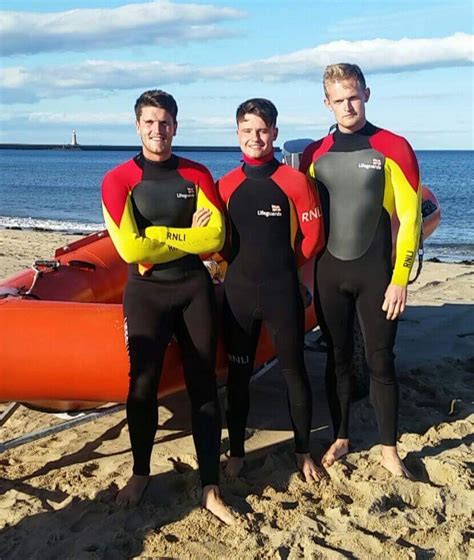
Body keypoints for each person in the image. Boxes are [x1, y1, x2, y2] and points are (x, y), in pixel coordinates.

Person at [101, 89, 234, 523]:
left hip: (194, 288)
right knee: (142, 385)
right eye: (150, 122)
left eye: (166, 122)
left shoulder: (197, 173)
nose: (158, 130)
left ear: (176, 125)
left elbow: (213, 239)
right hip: (146, 293)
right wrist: (183, 238)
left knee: (203, 384)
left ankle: (210, 484)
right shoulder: (118, 179)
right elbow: (127, 247)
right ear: (137, 125)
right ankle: (141, 473)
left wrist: (158, 235)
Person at [300, 64, 422, 478]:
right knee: (336, 359)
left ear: (367, 94)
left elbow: (410, 219)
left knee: (380, 360)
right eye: (339, 99)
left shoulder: (394, 146)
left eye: (353, 95)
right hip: (329, 274)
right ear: (327, 103)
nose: (347, 105)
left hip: (377, 274)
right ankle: (341, 435)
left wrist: (400, 278)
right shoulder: (314, 154)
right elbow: (306, 219)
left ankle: (389, 449)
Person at [217, 98, 325, 481]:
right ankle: (238, 452)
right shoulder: (226, 185)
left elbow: (313, 237)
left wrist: (286, 268)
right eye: (247, 130)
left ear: (275, 134)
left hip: (282, 291)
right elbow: (220, 240)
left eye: (262, 130)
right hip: (239, 294)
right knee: (238, 376)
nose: (255, 137)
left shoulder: (295, 182)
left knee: (294, 373)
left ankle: (302, 451)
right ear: (237, 135)